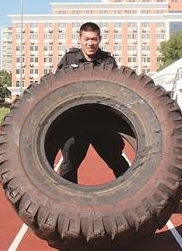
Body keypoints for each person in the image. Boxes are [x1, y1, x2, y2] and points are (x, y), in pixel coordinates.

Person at [53, 22, 130, 183]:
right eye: (87, 39)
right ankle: (69, 202)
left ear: (99, 39)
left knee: (118, 162)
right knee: (68, 167)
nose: (90, 43)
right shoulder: (69, 58)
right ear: (80, 39)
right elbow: (57, 87)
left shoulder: (107, 61)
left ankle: (132, 196)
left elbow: (114, 90)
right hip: (76, 123)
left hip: (101, 122)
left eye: (94, 39)